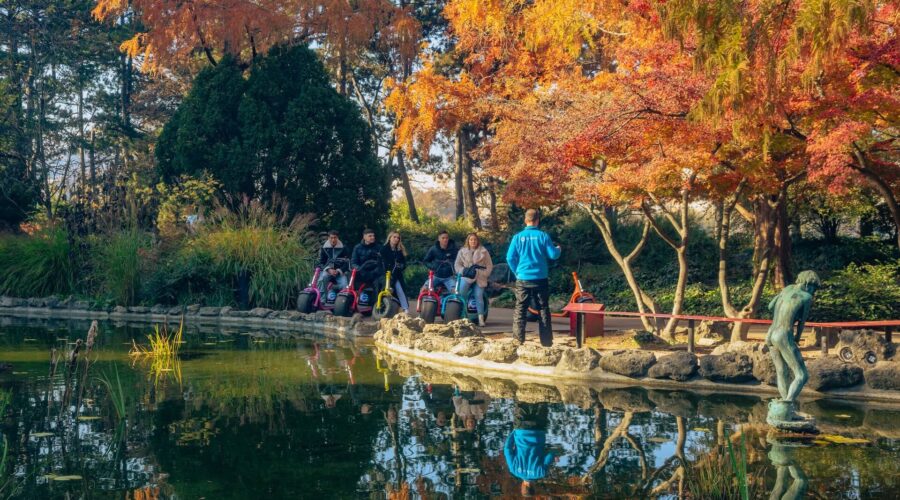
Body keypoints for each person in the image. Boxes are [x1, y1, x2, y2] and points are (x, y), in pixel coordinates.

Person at [506, 209, 561, 346]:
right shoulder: (543, 236)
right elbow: (553, 255)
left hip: (523, 278)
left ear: (525, 220)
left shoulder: (517, 237)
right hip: (540, 278)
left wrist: (516, 272)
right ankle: (546, 341)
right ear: (537, 221)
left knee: (520, 308)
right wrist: (558, 249)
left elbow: (509, 257)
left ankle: (518, 340)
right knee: (543, 308)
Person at [504, 402, 554, 497]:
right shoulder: (514, 470)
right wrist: (514, 432)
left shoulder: (541, 473)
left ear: (533, 487)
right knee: (521, 400)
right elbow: (507, 449)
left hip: (538, 431)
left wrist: (551, 453)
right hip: (521, 430)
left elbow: (551, 455)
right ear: (522, 486)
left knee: (542, 401)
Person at [455, 232, 493, 326]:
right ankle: (462, 315)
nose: (473, 241)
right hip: (467, 275)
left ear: (478, 241)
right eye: (471, 239)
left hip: (480, 276)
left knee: (479, 295)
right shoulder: (462, 251)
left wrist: (485, 274)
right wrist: (463, 271)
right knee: (461, 293)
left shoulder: (484, 251)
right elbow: (457, 264)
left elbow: (489, 265)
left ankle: (481, 319)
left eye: (475, 239)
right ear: (468, 241)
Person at [380, 231, 410, 311]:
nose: (396, 239)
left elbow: (404, 263)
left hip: (396, 275)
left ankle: (405, 308)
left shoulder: (399, 251)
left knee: (400, 290)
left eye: (398, 238)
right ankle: (380, 307)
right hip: (384, 275)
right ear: (389, 238)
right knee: (382, 290)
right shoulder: (383, 249)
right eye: (394, 237)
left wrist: (401, 266)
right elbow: (380, 262)